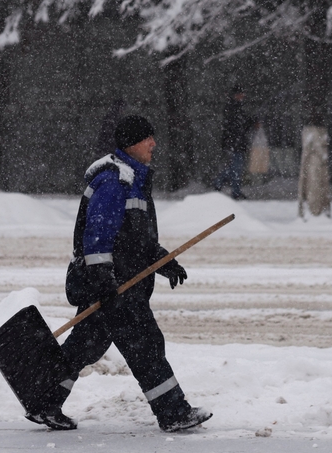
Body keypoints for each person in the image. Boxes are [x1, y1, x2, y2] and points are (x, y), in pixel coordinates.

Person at [27, 115, 212, 433]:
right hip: (116, 285)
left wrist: (164, 261)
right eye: (148, 138)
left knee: (87, 343)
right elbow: (97, 236)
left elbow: (135, 240)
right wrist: (103, 281)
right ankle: (173, 412)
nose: (154, 144)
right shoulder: (115, 182)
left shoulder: (133, 180)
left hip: (122, 282)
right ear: (131, 144)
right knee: (146, 345)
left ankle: (43, 402)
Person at [213, 85, 257, 200]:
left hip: (234, 143)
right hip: (235, 143)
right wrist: (250, 122)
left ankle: (223, 186)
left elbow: (238, 125)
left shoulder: (234, 108)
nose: (243, 96)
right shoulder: (234, 108)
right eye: (240, 94)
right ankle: (230, 189)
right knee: (236, 168)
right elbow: (237, 126)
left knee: (235, 168)